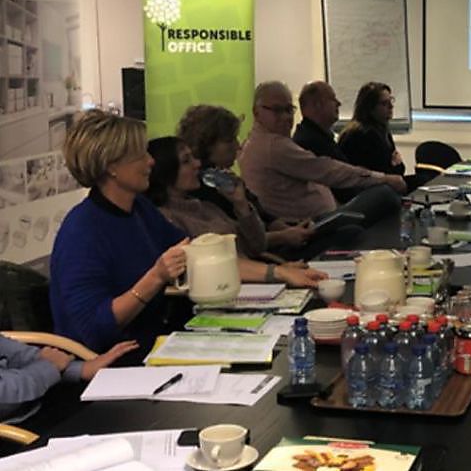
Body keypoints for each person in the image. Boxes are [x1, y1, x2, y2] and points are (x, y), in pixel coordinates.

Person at [50, 110, 324, 356]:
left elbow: (200, 255)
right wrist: (155, 278)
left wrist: (280, 273)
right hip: (113, 364)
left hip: (155, 345)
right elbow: (92, 329)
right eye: (140, 155)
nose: (150, 161)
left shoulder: (139, 210)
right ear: (112, 166)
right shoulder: (82, 232)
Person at [239, 81, 406, 225]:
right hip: (305, 227)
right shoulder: (274, 145)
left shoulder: (267, 141)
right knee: (385, 194)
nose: (285, 117)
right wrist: (384, 178)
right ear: (256, 112)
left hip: (319, 218)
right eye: (277, 110)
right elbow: (330, 171)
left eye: (289, 109)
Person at [175, 105, 330, 258]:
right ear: (207, 145)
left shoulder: (225, 178)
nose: (237, 146)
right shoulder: (201, 190)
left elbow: (262, 215)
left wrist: (289, 229)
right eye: (229, 141)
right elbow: (239, 239)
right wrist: (284, 236)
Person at [0, 337, 137, 422]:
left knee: (123, 404)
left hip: (36, 395)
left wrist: (81, 369)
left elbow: (14, 353)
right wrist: (50, 366)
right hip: (15, 427)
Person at [292, 81, 358, 203]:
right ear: (317, 105)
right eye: (333, 99)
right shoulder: (310, 142)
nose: (339, 103)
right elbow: (342, 183)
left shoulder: (319, 136)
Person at [338, 82, 406, 176]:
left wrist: (396, 165)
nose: (391, 106)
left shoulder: (382, 129)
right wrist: (396, 164)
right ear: (370, 108)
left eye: (391, 100)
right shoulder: (363, 134)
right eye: (384, 103)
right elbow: (385, 173)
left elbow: (397, 169)